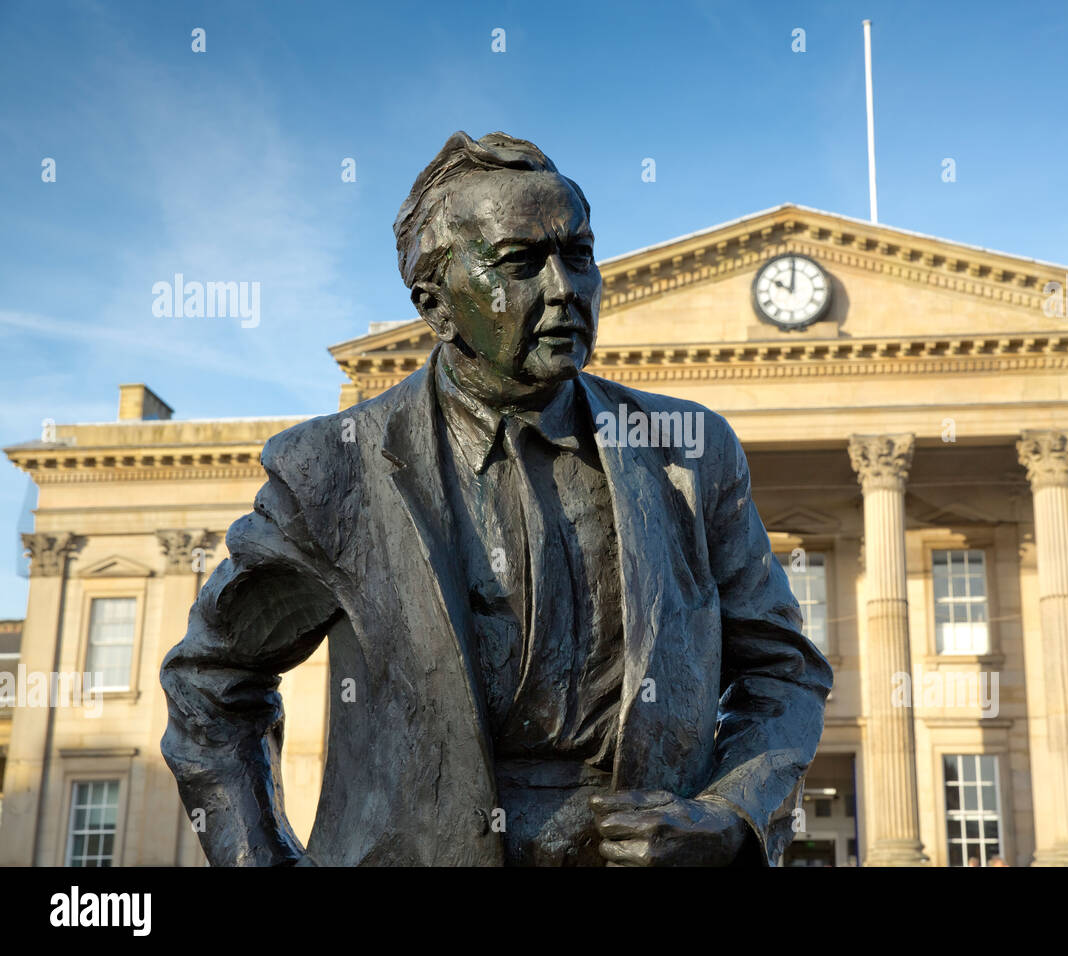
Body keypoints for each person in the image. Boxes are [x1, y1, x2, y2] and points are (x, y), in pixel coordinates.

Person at [159, 131, 833, 867]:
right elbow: (212, 686)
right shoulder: (335, 471)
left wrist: (732, 814)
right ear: (436, 305)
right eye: (520, 263)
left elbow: (781, 668)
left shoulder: (689, 451)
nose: (564, 289)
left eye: (578, 255)